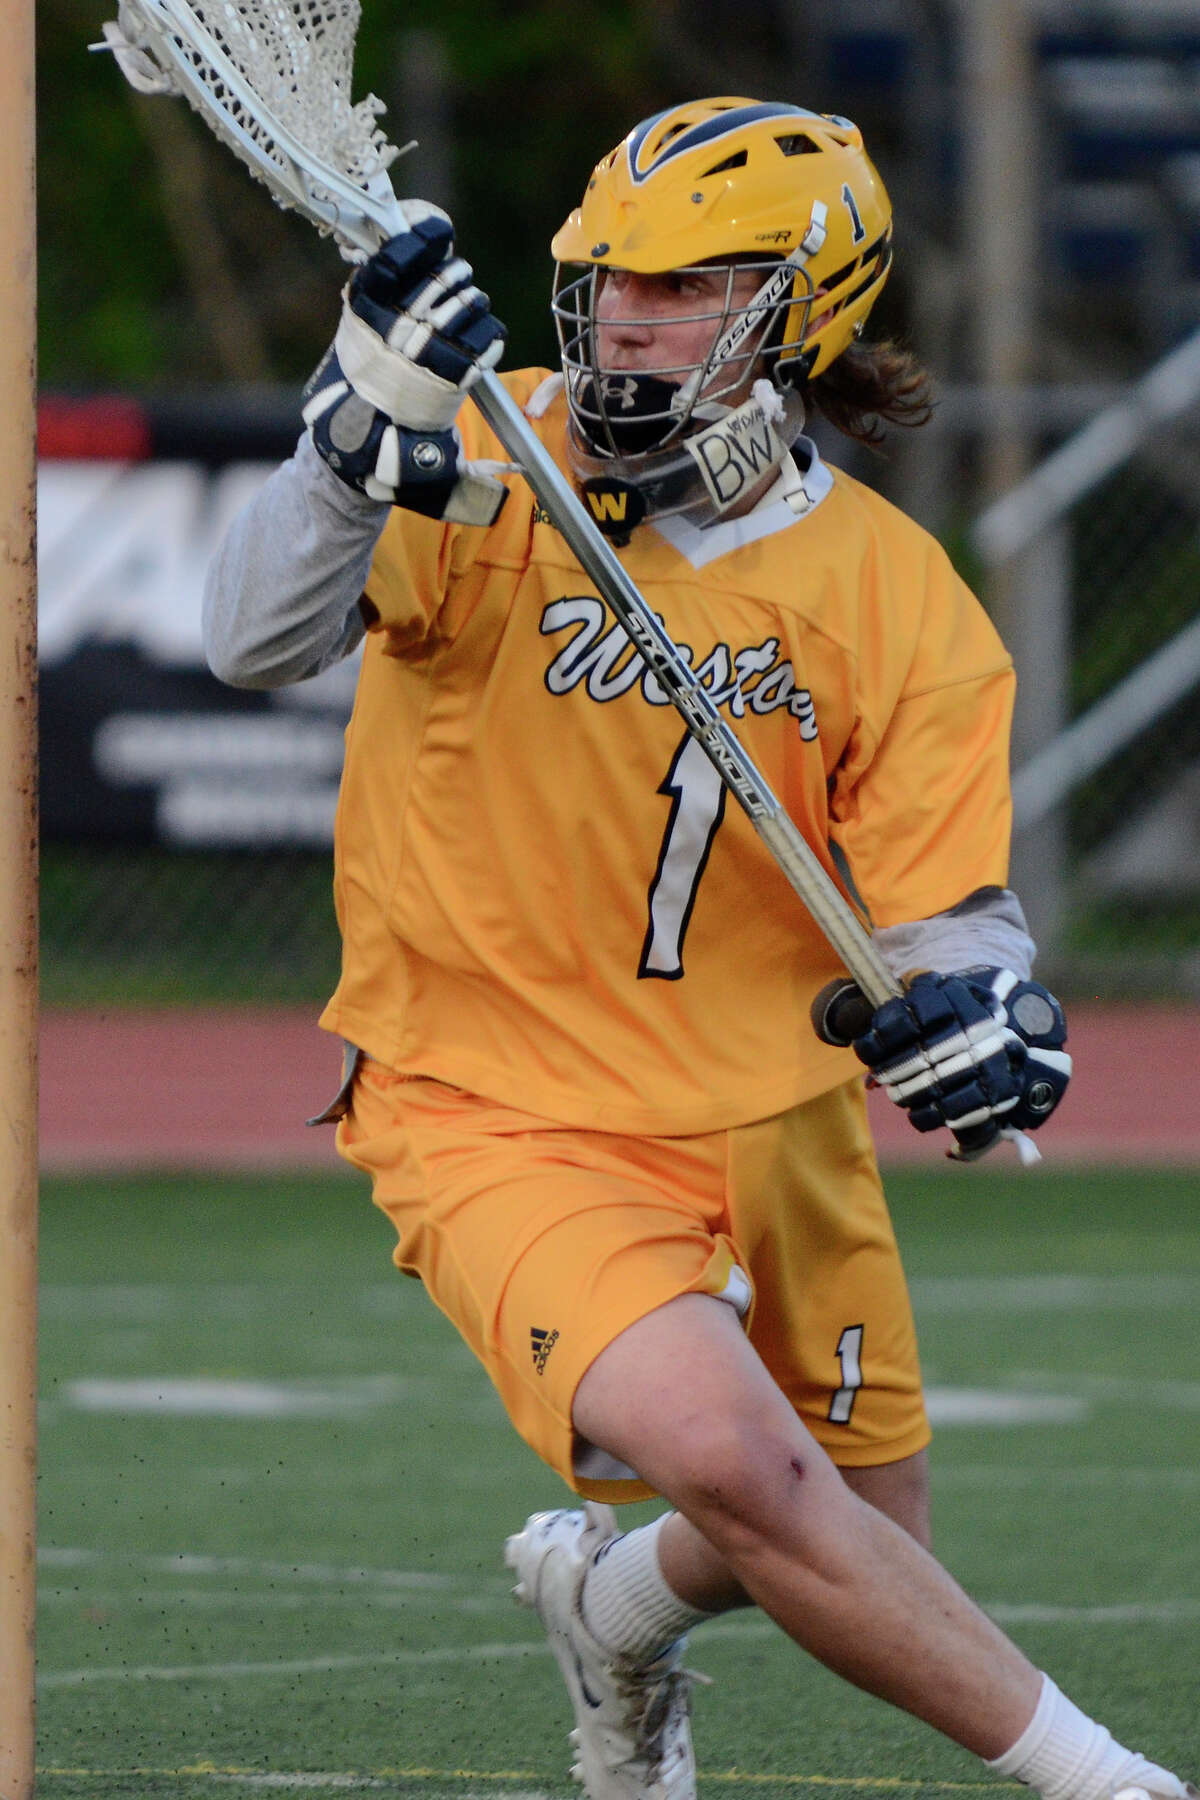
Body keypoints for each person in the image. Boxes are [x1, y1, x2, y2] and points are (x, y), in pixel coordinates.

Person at [204, 96, 1192, 1800]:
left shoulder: (896, 598)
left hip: (772, 1117)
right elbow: (249, 636)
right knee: (746, 1464)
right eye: (607, 282)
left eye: (682, 290)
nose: (625, 323)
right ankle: (1110, 1783)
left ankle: (609, 1606)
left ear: (801, 313)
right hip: (497, 1096)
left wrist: (986, 1005)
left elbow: (943, 904)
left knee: (859, 1529)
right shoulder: (493, 454)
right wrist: (348, 438)